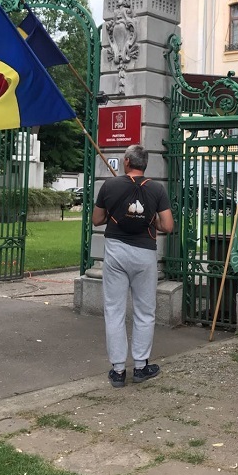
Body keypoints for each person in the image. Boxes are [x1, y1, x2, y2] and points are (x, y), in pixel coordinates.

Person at [92, 144, 174, 388]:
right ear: (144, 165)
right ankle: (140, 366)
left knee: (114, 311)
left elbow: (97, 219)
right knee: (144, 311)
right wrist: (153, 221)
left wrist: (114, 213)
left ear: (127, 161)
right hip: (144, 253)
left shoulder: (109, 185)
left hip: (116, 251)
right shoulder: (157, 189)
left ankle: (118, 370)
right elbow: (168, 226)